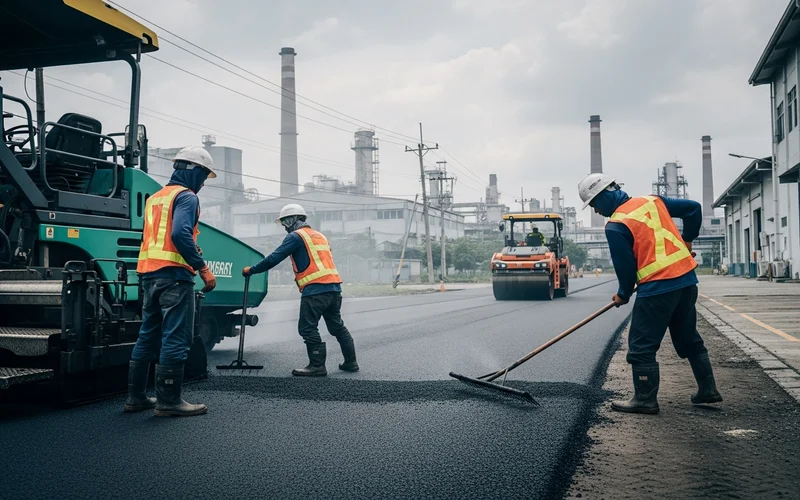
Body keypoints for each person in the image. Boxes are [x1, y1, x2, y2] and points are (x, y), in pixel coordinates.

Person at [578, 173, 722, 415]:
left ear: (603, 196)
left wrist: (623, 293)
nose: (595, 210)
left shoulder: (616, 225)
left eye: (593, 203)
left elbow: (625, 269)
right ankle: (708, 389)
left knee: (641, 345)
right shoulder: (653, 201)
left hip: (657, 288)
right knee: (688, 338)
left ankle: (645, 399)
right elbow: (694, 209)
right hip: (687, 282)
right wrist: (687, 240)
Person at [124, 146, 217, 417]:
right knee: (176, 337)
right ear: (194, 171)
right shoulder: (186, 197)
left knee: (147, 336)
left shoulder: (155, 198)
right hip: (175, 277)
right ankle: (169, 401)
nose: (202, 183)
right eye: (203, 176)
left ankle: (136, 397)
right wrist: (202, 268)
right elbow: (179, 233)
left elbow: (161, 237)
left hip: (148, 275)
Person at [242, 204, 358, 377]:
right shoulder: (320, 236)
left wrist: (252, 270)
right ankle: (351, 362)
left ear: (291, 220)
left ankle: (317, 366)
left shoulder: (296, 237)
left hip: (315, 291)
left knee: (307, 328)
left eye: (284, 223)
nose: (284, 227)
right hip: (334, 289)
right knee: (337, 327)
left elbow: (275, 257)